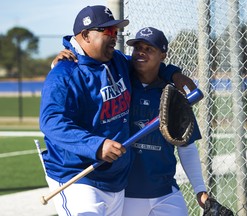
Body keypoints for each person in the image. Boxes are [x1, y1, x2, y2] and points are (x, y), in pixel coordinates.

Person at [40, 5, 196, 216]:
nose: (115, 37)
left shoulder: (117, 61)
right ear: (85, 35)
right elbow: (51, 122)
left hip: (115, 182)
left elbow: (145, 62)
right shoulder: (64, 73)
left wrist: (173, 74)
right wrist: (96, 145)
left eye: (116, 31)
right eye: (109, 32)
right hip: (77, 175)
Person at [122, 27, 209, 216]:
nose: (141, 53)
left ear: (163, 55)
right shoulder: (122, 85)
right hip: (126, 194)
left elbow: (186, 146)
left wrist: (200, 190)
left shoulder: (172, 95)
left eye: (149, 49)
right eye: (138, 48)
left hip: (166, 193)